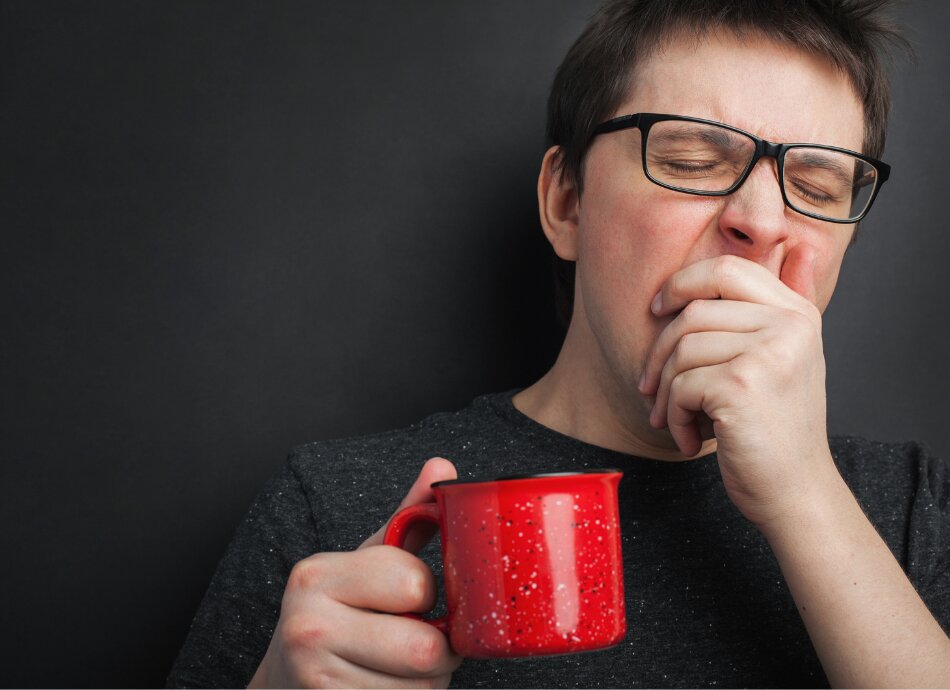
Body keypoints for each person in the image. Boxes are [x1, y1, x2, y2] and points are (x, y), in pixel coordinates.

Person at [167, 1, 950, 687]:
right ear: (566, 202)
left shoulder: (914, 507)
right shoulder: (332, 508)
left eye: (817, 187)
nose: (763, 217)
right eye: (692, 160)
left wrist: (804, 492)